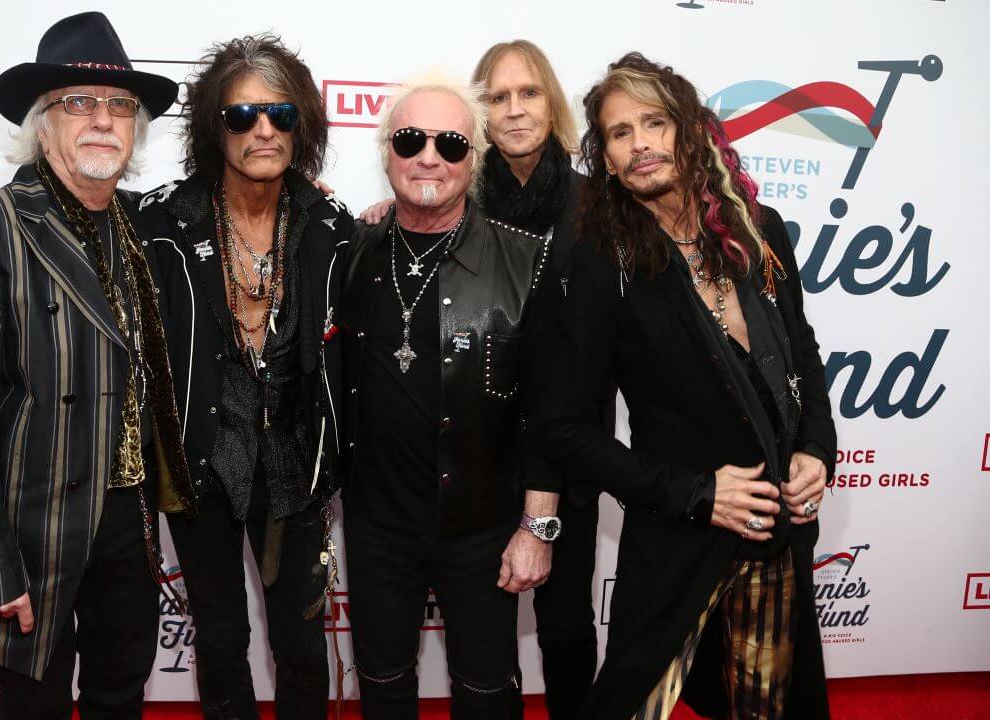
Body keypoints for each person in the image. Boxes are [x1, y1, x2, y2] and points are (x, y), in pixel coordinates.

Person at [526, 52, 836, 720]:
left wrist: (816, 447)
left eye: (655, 122)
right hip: (676, 545)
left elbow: (803, 359)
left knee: (768, 709)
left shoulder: (762, 233)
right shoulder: (604, 260)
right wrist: (696, 494)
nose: (640, 143)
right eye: (618, 132)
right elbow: (563, 428)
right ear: (604, 158)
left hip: (772, 537)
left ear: (690, 132)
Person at [0, 11, 189, 719]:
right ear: (42, 122)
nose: (102, 119)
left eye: (120, 105)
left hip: (130, 517)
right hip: (33, 522)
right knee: (33, 707)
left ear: (136, 130)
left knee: (120, 697)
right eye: (79, 102)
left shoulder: (147, 225)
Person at [360, 42, 606, 718]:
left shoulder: (596, 209)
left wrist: (539, 516)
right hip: (405, 507)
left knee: (558, 632)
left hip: (542, 470)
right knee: (391, 678)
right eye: (498, 97)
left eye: (528, 93)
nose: (430, 155)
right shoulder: (367, 245)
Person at [137, 33, 352, 720]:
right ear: (213, 129)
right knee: (222, 639)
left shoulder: (331, 225)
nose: (264, 129)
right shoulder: (161, 221)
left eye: (282, 115)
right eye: (242, 116)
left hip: (294, 464)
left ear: (304, 126)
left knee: (301, 642)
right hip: (201, 462)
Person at [340, 75, 551, 719]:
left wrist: (537, 527)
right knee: (381, 687)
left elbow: (551, 414)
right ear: (386, 156)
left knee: (487, 693)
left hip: (483, 526)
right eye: (410, 139)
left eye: (451, 144)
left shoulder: (526, 262)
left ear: (474, 162)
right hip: (376, 523)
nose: (429, 156)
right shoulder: (351, 249)